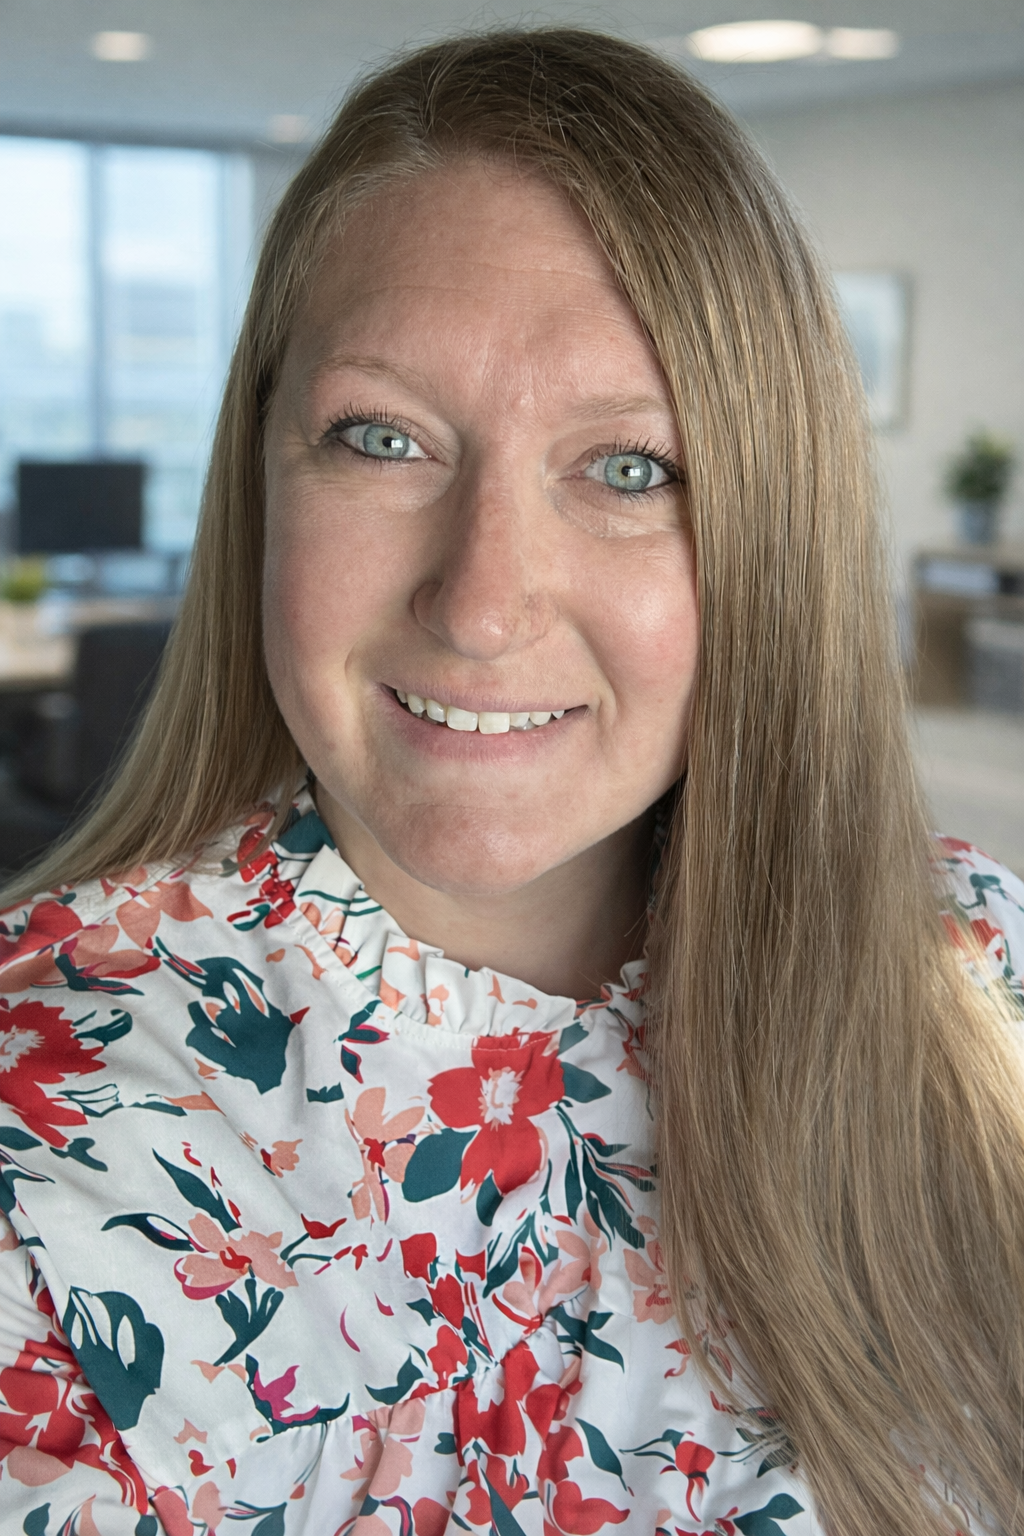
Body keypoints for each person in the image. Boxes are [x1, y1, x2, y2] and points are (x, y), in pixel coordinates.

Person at [0, 28, 1021, 1536]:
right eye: (383, 438)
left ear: (772, 533)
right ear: (261, 478)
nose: (482, 605)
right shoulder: (44, 1122)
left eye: (628, 469)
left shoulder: (977, 971)